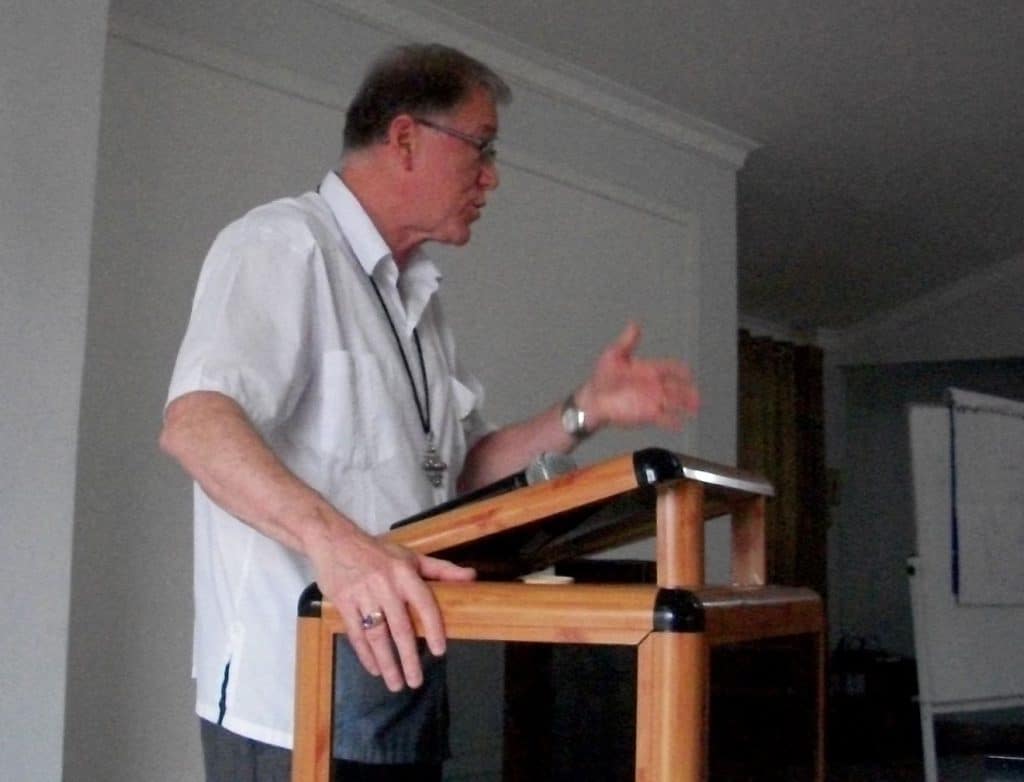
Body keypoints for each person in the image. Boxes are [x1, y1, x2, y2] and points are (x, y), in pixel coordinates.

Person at [160, 43, 700, 782]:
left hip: (404, 691)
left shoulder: (418, 301)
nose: (493, 175)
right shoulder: (283, 245)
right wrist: (342, 549)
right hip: (293, 704)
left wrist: (585, 410)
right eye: (481, 147)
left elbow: (460, 468)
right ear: (406, 138)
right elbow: (195, 423)